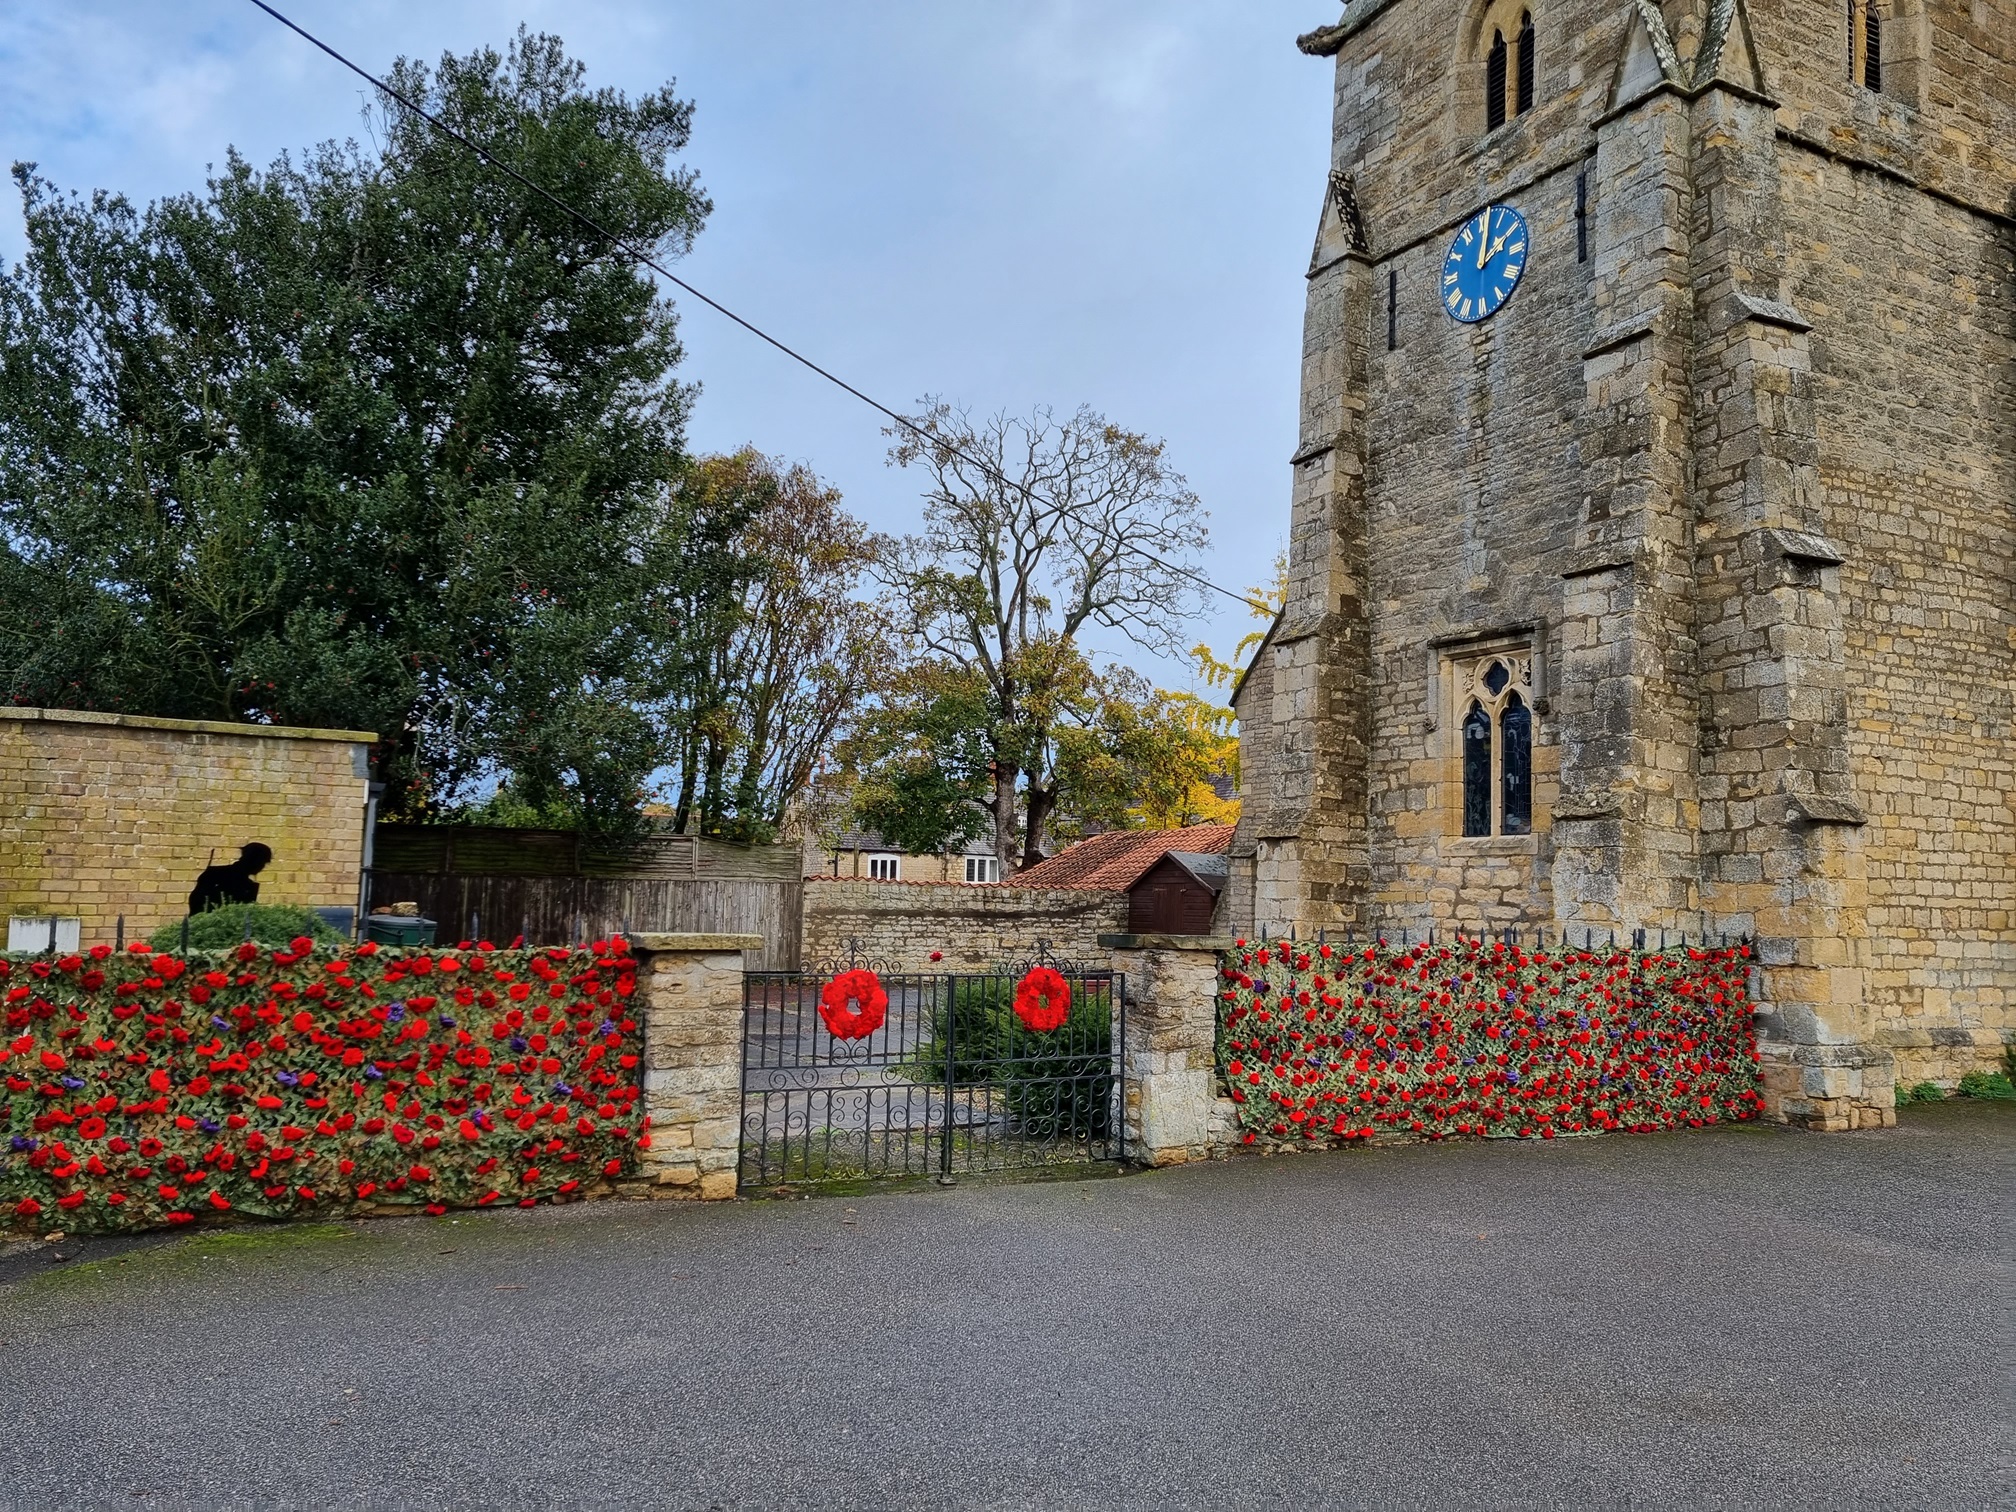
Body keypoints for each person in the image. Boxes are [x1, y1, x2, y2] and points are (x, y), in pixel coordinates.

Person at [188, 843, 273, 915]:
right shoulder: (215, 874)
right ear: (254, 860)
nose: (262, 866)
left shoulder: (248, 885)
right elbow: (197, 901)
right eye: (262, 862)